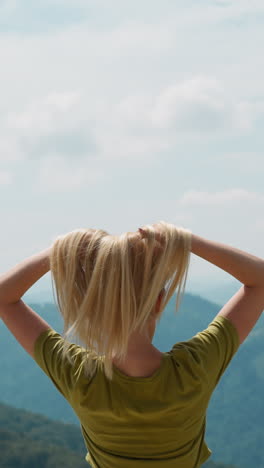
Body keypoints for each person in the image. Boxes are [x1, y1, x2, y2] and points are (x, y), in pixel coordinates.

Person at [0, 221, 264, 468]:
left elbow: (4, 298)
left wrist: (61, 250)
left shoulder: (79, 376)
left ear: (92, 307)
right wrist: (187, 241)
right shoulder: (195, 368)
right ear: (159, 301)